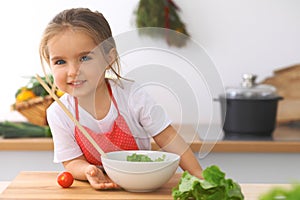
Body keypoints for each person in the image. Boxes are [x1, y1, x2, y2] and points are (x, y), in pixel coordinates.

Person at [39, 7, 203, 190]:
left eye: (84, 58)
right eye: (60, 62)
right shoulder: (58, 113)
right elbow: (72, 161)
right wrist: (88, 171)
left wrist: (200, 177)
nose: (72, 72)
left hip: (141, 186)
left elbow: (168, 137)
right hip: (98, 192)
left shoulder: (132, 96)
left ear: (109, 58)